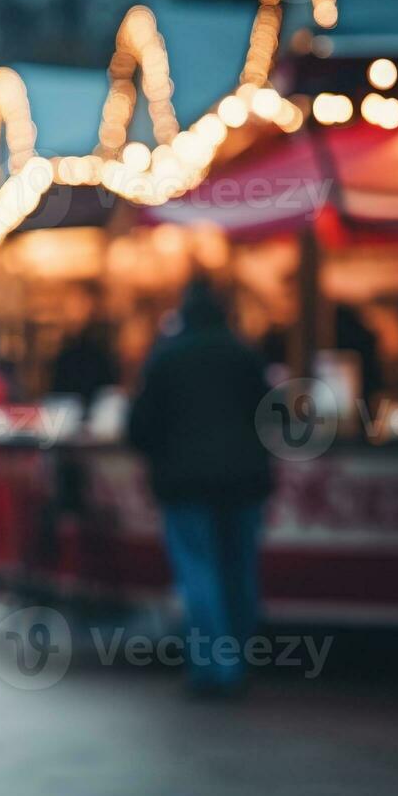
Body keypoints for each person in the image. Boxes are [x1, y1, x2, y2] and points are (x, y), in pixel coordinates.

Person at [126, 279, 274, 696]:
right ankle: (238, 662)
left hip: (185, 482)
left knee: (199, 572)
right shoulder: (246, 354)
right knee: (239, 571)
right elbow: (273, 417)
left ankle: (215, 668)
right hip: (244, 480)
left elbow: (139, 427)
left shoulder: (166, 357)